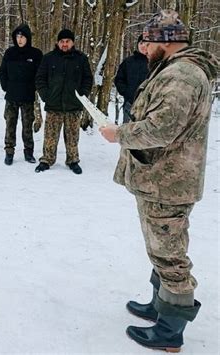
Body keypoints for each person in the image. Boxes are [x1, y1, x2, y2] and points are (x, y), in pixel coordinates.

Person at [99, 10, 218, 352]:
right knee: (158, 248)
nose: (144, 48)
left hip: (169, 182)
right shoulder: (173, 70)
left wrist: (117, 133)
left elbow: (161, 128)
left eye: (148, 42)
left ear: (164, 42)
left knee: (170, 256)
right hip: (159, 179)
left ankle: (170, 331)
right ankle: (158, 306)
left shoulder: (182, 75)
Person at [34, 29, 93, 175]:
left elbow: (87, 79)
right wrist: (46, 95)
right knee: (50, 136)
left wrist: (82, 94)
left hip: (73, 105)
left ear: (72, 42)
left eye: (67, 41)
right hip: (54, 105)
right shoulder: (48, 58)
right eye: (62, 41)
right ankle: (47, 159)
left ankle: (73, 160)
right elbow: (40, 78)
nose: (65, 44)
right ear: (57, 43)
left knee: (73, 136)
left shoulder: (81, 59)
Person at [0, 24, 43, 165]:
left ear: (27, 38)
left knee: (27, 126)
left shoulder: (35, 54)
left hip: (27, 97)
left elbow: (40, 75)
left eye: (22, 37)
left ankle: (28, 152)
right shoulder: (10, 53)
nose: (20, 39)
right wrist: (6, 86)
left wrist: (34, 88)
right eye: (17, 36)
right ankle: (9, 152)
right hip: (11, 96)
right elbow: (2, 71)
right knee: (10, 124)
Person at [114, 34, 148, 124]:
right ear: (138, 44)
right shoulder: (128, 62)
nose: (143, 46)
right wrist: (126, 92)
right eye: (141, 43)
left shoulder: (156, 63)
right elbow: (119, 79)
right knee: (127, 134)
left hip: (149, 107)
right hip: (130, 104)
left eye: (147, 43)